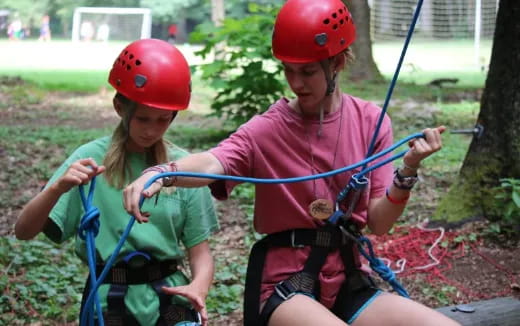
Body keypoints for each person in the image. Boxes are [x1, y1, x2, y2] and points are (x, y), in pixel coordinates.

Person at [123, 1, 460, 326]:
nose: (296, 83)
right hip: (287, 286)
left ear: (338, 62)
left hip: (349, 281)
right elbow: (214, 161)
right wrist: (163, 172)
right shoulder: (269, 128)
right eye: (289, 70)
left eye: (308, 71)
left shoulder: (372, 122)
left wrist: (409, 169)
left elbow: (379, 223)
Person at [15, 39, 218, 326]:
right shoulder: (89, 159)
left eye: (163, 120)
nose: (152, 130)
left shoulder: (182, 167)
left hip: (168, 297)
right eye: (143, 119)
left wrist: (198, 287)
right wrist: (57, 188)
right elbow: (24, 231)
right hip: (108, 299)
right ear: (120, 107)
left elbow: (201, 252)